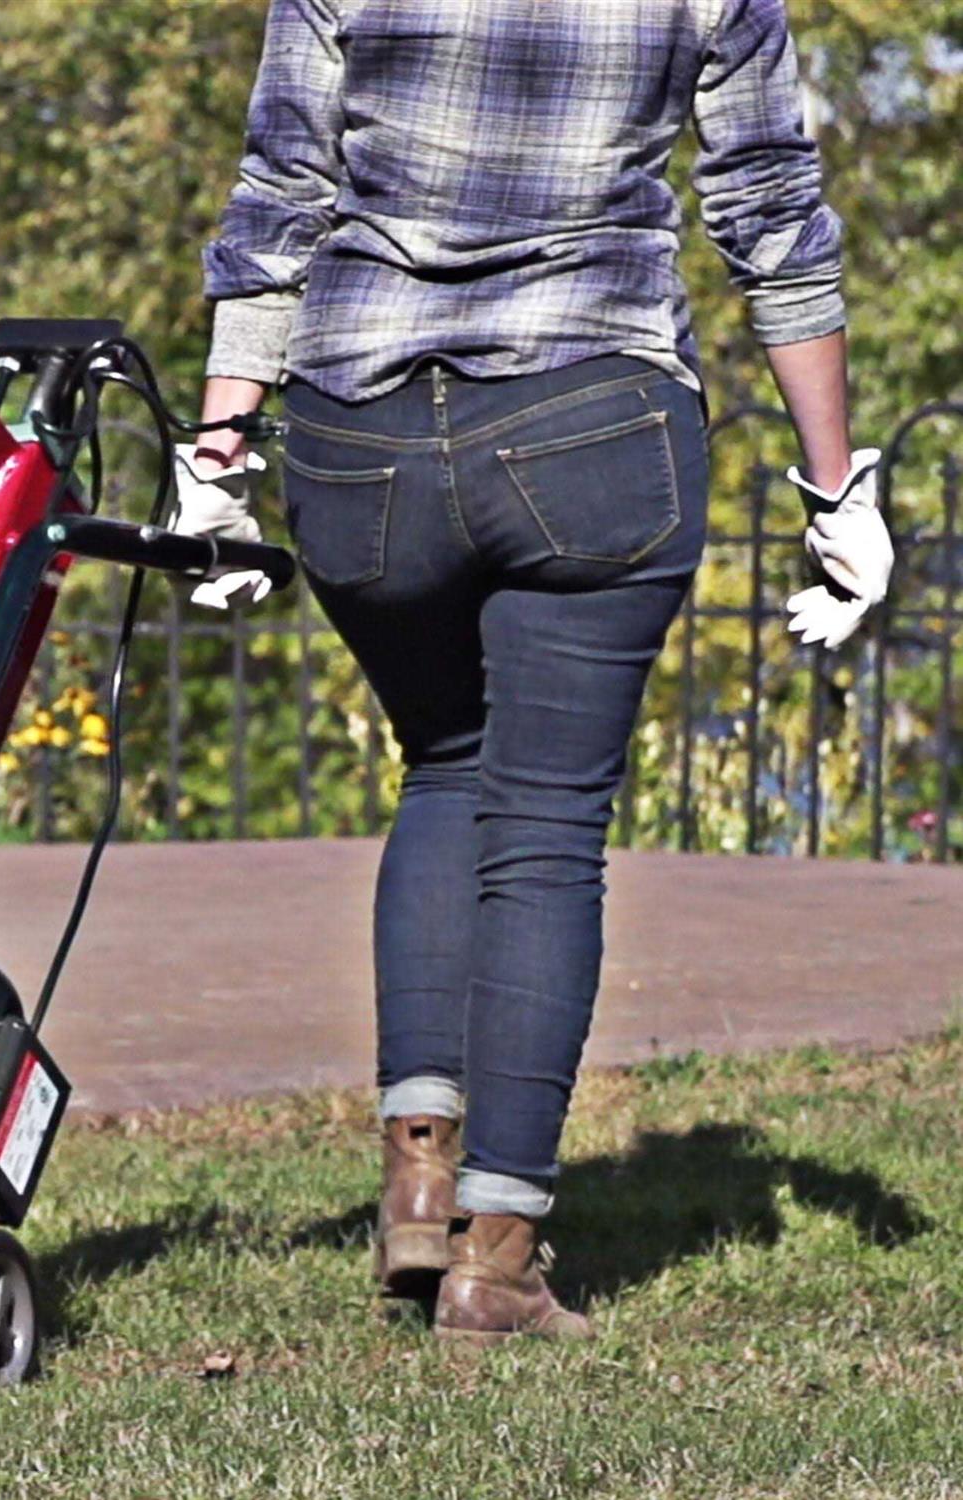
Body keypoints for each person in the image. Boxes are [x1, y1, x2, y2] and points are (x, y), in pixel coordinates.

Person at [167, 0, 895, 1344]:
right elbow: (769, 206)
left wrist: (218, 452)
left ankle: (417, 1186)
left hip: (358, 434)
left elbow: (280, 188)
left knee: (446, 764)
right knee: (547, 830)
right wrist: (835, 485)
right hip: (593, 418)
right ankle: (495, 1267)